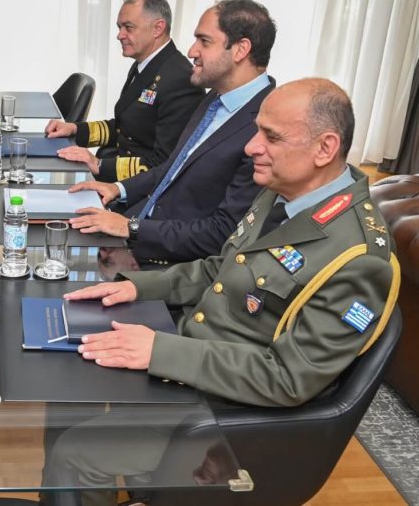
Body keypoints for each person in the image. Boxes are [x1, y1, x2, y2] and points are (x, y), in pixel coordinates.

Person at [64, 78, 399, 407]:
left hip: (222, 405)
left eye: (272, 137)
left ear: (325, 148)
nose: (251, 147)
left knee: (74, 429)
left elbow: (288, 378)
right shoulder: (282, 191)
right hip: (189, 347)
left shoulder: (360, 257)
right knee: (67, 355)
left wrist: (161, 352)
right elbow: (221, 270)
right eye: (257, 131)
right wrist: (137, 287)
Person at [67, 0, 278, 264]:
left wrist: (130, 228)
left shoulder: (268, 126)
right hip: (139, 227)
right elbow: (173, 169)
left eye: (204, 41)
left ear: (240, 49)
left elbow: (222, 234)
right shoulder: (215, 98)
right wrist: (118, 188)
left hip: (171, 264)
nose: (191, 51)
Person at [46, 0, 205, 181]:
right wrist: (74, 130)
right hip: (116, 173)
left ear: (157, 28)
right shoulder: (146, 64)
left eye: (128, 27)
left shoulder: (181, 80)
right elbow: (124, 127)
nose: (120, 35)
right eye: (119, 27)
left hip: (136, 187)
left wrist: (99, 165)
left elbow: (164, 164)